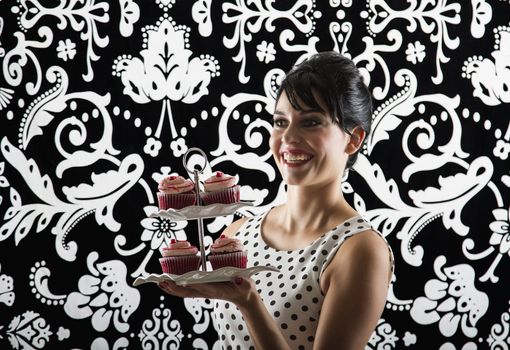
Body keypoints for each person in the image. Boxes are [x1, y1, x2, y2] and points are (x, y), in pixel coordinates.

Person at [158, 51, 394, 350]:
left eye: (310, 122)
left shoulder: (360, 250)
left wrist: (249, 304)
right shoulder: (237, 235)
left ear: (353, 139)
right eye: (281, 122)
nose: (288, 138)